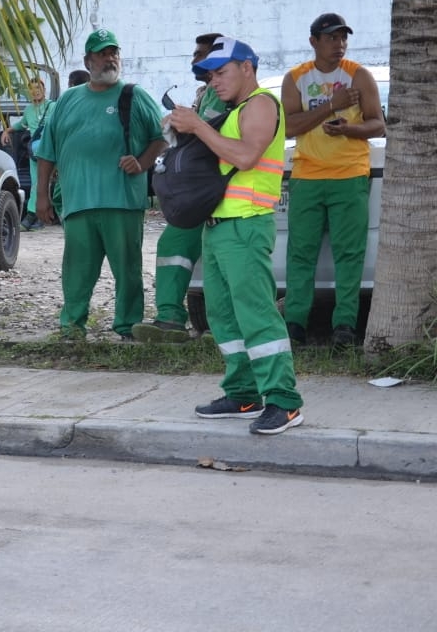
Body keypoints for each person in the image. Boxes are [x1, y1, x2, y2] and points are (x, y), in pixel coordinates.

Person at [168, 37, 304, 435]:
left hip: (245, 225)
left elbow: (246, 156)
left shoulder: (261, 104)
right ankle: (244, 393)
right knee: (223, 318)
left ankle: (284, 401)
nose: (214, 81)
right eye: (210, 75)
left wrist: (196, 125)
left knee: (256, 314)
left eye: (222, 72)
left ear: (247, 67)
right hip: (219, 226)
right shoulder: (231, 110)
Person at [34, 29, 166, 340]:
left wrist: (142, 162)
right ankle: (72, 326)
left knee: (128, 270)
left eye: (114, 52)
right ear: (87, 60)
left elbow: (164, 136)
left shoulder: (134, 95)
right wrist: (41, 196)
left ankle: (127, 326)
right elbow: (47, 152)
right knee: (77, 271)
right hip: (78, 201)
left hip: (122, 200)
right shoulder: (67, 101)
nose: (110, 58)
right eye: (102, 53)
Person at [281, 13, 385, 349]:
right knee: (301, 254)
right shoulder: (296, 78)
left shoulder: (359, 76)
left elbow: (378, 126)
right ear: (313, 41)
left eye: (343, 38)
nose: (339, 44)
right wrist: (331, 106)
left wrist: (349, 129)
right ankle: (294, 325)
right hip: (307, 176)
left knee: (349, 255)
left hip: (350, 176)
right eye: (331, 38)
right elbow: (290, 126)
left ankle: (344, 327)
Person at [133, 32, 227, 343]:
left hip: (218, 191)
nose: (194, 61)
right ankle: (171, 318)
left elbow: (212, 137)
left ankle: (220, 328)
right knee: (174, 246)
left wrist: (184, 128)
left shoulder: (228, 95)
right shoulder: (208, 93)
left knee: (217, 259)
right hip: (200, 192)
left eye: (200, 55)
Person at [0, 75, 54, 230]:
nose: (36, 91)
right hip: (35, 151)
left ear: (44, 90)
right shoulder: (29, 110)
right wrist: (7, 131)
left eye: (39, 88)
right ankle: (36, 217)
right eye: (32, 89)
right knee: (35, 181)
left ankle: (34, 215)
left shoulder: (52, 106)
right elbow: (21, 125)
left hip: (49, 150)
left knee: (43, 183)